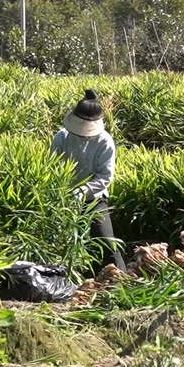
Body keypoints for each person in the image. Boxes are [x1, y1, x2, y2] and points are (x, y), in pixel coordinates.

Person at [51, 89, 126, 274]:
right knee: (62, 240)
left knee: (105, 239)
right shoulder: (62, 137)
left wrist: (83, 191)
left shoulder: (105, 141)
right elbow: (53, 168)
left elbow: (105, 177)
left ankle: (121, 279)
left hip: (94, 198)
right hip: (64, 197)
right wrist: (64, 193)